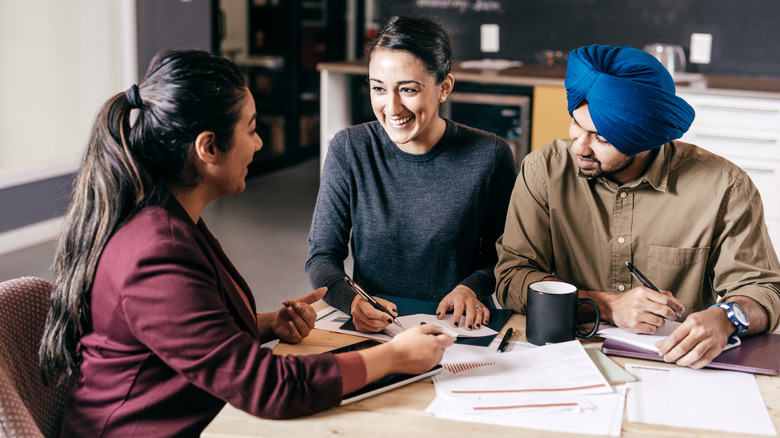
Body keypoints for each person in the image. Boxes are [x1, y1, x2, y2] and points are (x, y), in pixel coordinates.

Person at [38, 50, 452, 436]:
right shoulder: (155, 252)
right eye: (251, 129)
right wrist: (395, 357)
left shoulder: (170, 218)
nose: (258, 143)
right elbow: (267, 388)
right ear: (208, 147)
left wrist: (268, 323)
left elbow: (189, 337)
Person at [495, 44, 780, 369]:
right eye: (576, 124)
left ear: (645, 139)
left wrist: (727, 318)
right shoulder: (544, 170)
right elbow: (511, 278)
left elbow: (762, 288)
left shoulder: (724, 186)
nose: (580, 147)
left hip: (676, 363)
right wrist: (606, 305)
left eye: (602, 139)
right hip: (565, 354)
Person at [305, 16, 517, 333]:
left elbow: (504, 255)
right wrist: (351, 300)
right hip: (379, 328)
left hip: (458, 328)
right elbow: (322, 256)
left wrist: (471, 288)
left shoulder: (490, 155)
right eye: (378, 88)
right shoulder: (350, 149)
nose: (391, 107)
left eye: (407, 89)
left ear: (444, 87)